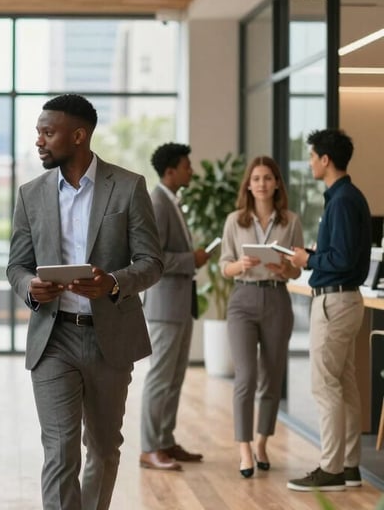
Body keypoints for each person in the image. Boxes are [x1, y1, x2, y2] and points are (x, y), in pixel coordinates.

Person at [6, 94, 163, 510]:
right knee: (60, 451)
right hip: (53, 337)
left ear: (79, 135)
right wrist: (29, 288)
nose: (39, 140)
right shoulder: (30, 194)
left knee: (105, 447)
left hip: (108, 339)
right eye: (38, 131)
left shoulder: (128, 187)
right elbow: (17, 266)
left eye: (47, 132)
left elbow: (152, 263)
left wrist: (112, 282)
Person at [287, 129, 371, 492]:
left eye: (311, 157)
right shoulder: (347, 198)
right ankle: (349, 465)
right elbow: (343, 254)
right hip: (345, 299)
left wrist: (308, 259)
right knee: (344, 384)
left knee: (324, 386)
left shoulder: (342, 201)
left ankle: (331, 467)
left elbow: (340, 258)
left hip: (335, 301)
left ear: (325, 159)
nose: (309, 163)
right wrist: (314, 256)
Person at [218, 156, 303, 478]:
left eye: (268, 177)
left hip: (277, 299)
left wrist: (285, 268)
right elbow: (224, 266)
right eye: (256, 178)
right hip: (242, 299)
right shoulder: (234, 221)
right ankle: (244, 448)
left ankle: (263, 442)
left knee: (271, 376)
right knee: (246, 377)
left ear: (277, 183)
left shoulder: (290, 221)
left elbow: (295, 267)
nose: (262, 183)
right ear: (249, 185)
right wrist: (241, 265)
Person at [139, 143, 208, 472]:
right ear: (171, 170)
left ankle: (165, 440)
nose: (190, 170)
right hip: (165, 305)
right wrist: (190, 260)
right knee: (160, 378)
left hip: (179, 304)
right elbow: (153, 258)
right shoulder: (157, 203)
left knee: (174, 378)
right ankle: (150, 447)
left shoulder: (171, 201)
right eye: (186, 166)